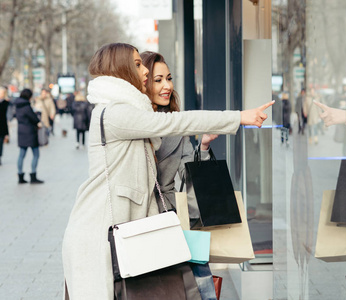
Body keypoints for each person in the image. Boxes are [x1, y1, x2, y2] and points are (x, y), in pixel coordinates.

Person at [61, 42, 274, 299]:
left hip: (139, 231)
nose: (148, 74)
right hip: (102, 233)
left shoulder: (128, 113)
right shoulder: (114, 113)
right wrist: (238, 116)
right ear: (122, 68)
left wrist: (204, 146)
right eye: (138, 65)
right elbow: (177, 122)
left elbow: (179, 151)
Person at [141, 51, 218, 299]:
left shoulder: (176, 123)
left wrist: (203, 147)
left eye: (169, 78)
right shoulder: (132, 122)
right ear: (143, 83)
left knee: (195, 285)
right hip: (139, 219)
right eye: (158, 79)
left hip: (172, 216)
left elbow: (187, 174)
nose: (167, 86)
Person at [15, 88, 44, 184]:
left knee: (21, 155)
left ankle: (20, 176)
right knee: (36, 154)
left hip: (21, 131)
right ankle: (33, 176)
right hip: (30, 132)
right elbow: (34, 119)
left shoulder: (17, 105)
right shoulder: (26, 106)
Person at [0, 86, 9, 165]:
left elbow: (6, 117)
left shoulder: (6, 103)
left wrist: (7, 133)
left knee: (0, 143)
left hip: (2, 126)